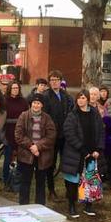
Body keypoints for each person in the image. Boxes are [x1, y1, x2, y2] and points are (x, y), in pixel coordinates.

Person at [61, 90, 104, 218]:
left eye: (83, 98)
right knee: (73, 181)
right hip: (76, 154)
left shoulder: (94, 113)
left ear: (88, 99)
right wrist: (82, 150)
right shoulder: (72, 115)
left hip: (92, 153)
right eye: (79, 98)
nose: (81, 100)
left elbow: (101, 131)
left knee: (90, 180)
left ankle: (88, 205)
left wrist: (98, 149)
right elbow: (69, 133)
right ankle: (72, 205)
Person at [15, 94, 56, 205]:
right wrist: (31, 146)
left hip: (42, 156)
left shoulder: (47, 118)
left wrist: (38, 147)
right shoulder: (23, 116)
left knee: (41, 183)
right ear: (31, 104)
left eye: (38, 103)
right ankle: (23, 206)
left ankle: (40, 207)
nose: (36, 105)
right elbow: (19, 135)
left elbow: (51, 136)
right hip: (26, 155)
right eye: (34, 103)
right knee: (25, 182)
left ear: (42, 105)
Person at [44, 70, 72, 201]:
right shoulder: (45, 96)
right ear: (49, 82)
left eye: (57, 79)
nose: (55, 82)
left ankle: (69, 190)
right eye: (52, 80)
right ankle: (51, 190)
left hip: (65, 135)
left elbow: (72, 113)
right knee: (51, 163)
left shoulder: (66, 95)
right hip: (52, 136)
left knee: (66, 162)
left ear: (61, 81)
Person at [3, 81, 29, 185]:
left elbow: (27, 114)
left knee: (21, 158)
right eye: (13, 88)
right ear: (9, 89)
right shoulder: (4, 101)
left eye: (17, 88)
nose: (15, 90)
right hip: (8, 132)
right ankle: (6, 180)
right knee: (8, 158)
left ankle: (18, 179)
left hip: (21, 132)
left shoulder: (23, 101)